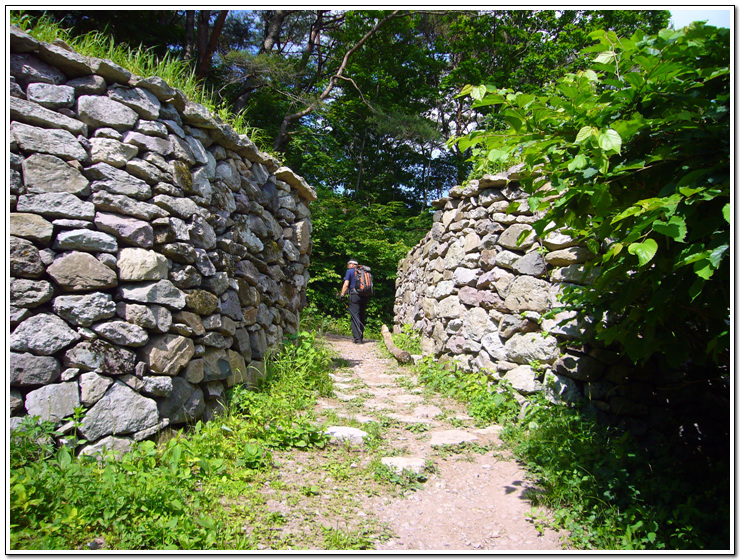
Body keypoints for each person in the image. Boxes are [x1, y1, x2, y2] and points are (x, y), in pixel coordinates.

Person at [340, 259, 369, 344]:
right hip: (365, 295)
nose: (348, 266)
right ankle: (361, 336)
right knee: (362, 314)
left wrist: (342, 295)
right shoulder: (365, 271)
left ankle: (357, 339)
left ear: (351, 264)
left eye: (348, 265)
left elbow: (346, 284)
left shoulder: (350, 271)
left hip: (355, 295)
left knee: (355, 315)